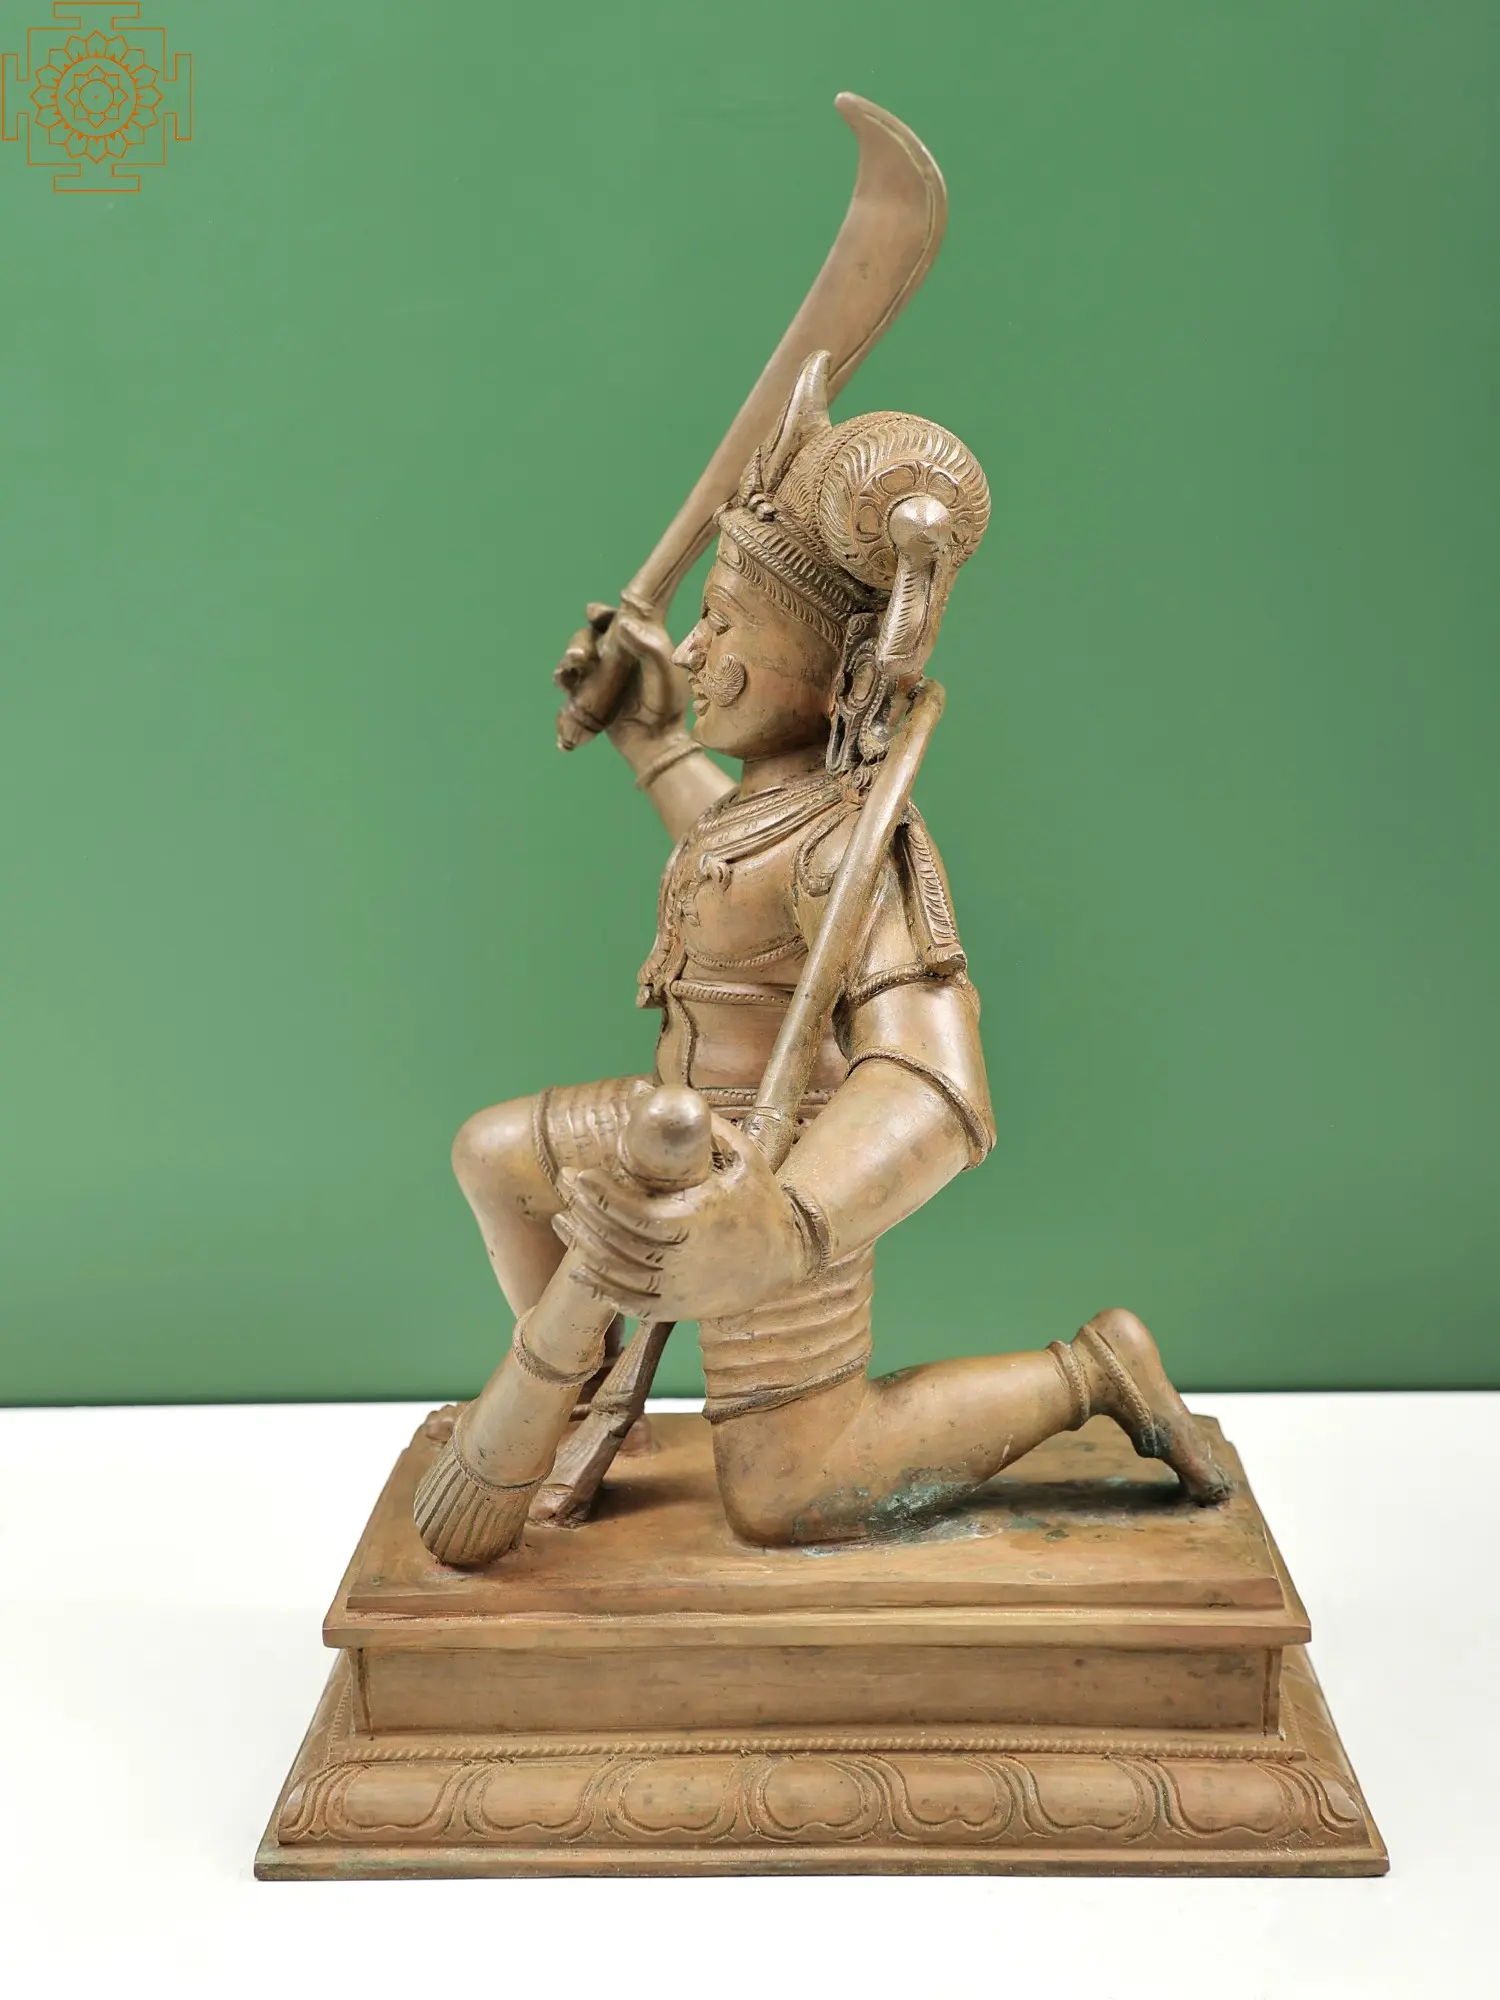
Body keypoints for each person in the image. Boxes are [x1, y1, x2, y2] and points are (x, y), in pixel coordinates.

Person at [450, 353, 1226, 1546]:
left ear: (841, 677)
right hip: (680, 1125)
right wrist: (649, 738)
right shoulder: (774, 806)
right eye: (702, 619)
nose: (694, 652)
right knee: (501, 1154)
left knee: (786, 1495)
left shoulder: (859, 846)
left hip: (776, 1169)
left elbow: (930, 1080)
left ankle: (1091, 1369)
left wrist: (784, 1226)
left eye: (725, 625)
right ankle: (590, 1394)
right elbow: (727, 860)